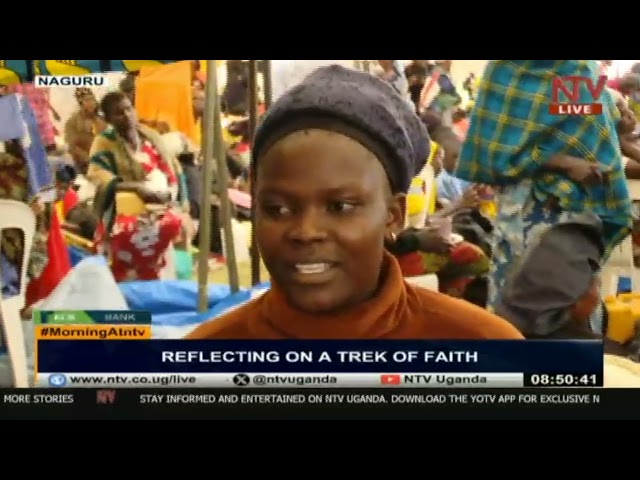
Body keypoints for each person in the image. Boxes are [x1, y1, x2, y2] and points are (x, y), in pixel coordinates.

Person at [185, 65, 523, 340]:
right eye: (278, 209)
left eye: (340, 207)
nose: (306, 232)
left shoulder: (484, 348)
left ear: (393, 215)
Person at [456, 60, 633, 334]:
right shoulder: (504, 70)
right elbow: (498, 152)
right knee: (521, 306)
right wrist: (564, 163)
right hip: (527, 209)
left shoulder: (580, 68)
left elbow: (590, 124)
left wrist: (615, 119)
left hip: (577, 209)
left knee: (573, 304)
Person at [87, 91, 186, 282]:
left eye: (128, 109)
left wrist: (175, 197)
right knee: (126, 246)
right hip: (122, 214)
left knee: (172, 224)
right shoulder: (104, 143)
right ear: (108, 119)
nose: (126, 115)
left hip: (161, 207)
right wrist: (137, 188)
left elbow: (173, 169)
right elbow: (99, 175)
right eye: (119, 113)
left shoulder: (150, 137)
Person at [64, 88, 107, 179]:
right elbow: (72, 146)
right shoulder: (73, 122)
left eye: (92, 99)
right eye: (87, 100)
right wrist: (88, 159)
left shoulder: (101, 120)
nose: (91, 103)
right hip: (83, 165)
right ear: (80, 103)